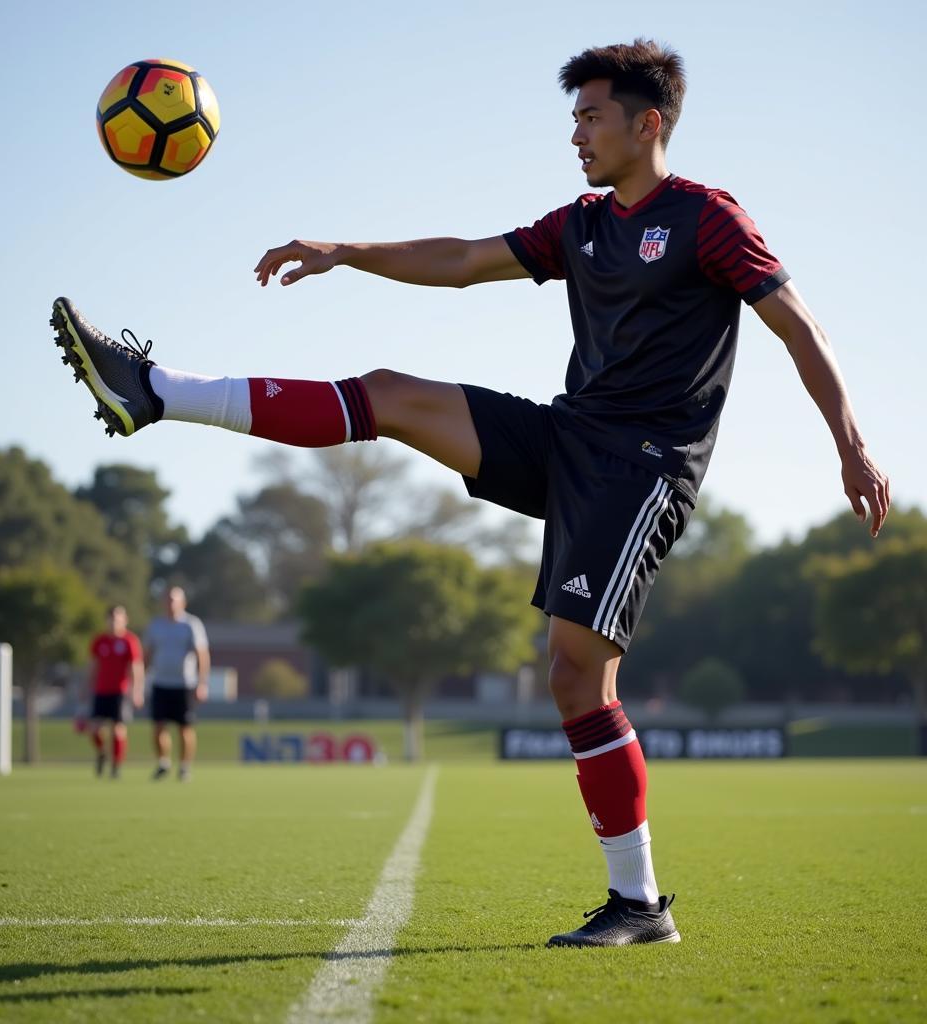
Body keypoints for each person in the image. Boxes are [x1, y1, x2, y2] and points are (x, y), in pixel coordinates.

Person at [50, 39, 889, 944]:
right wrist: (343, 249)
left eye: (591, 116)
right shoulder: (584, 223)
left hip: (643, 467)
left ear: (648, 123)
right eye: (574, 117)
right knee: (392, 394)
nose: (576, 133)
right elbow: (461, 260)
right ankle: (158, 391)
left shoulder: (707, 219)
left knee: (575, 679)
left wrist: (850, 442)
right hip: (568, 436)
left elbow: (801, 327)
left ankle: (641, 906)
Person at [144, 586, 209, 781]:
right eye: (168, 599)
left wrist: (202, 683)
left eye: (174, 600)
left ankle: (184, 766)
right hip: (160, 683)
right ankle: (163, 763)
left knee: (185, 727)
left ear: (183, 602)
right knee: (158, 726)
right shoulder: (156, 625)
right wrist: (139, 682)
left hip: (184, 684)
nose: (171, 603)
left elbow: (202, 655)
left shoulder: (191, 624)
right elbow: (147, 655)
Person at [84, 605, 144, 779]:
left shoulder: (129, 641)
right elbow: (92, 666)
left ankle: (116, 766)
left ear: (125, 620)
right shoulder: (99, 641)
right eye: (111, 619)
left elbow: (136, 666)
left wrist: (136, 690)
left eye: (118, 619)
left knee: (118, 729)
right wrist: (86, 687)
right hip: (101, 690)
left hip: (120, 691)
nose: (114, 623)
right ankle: (102, 753)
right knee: (94, 729)